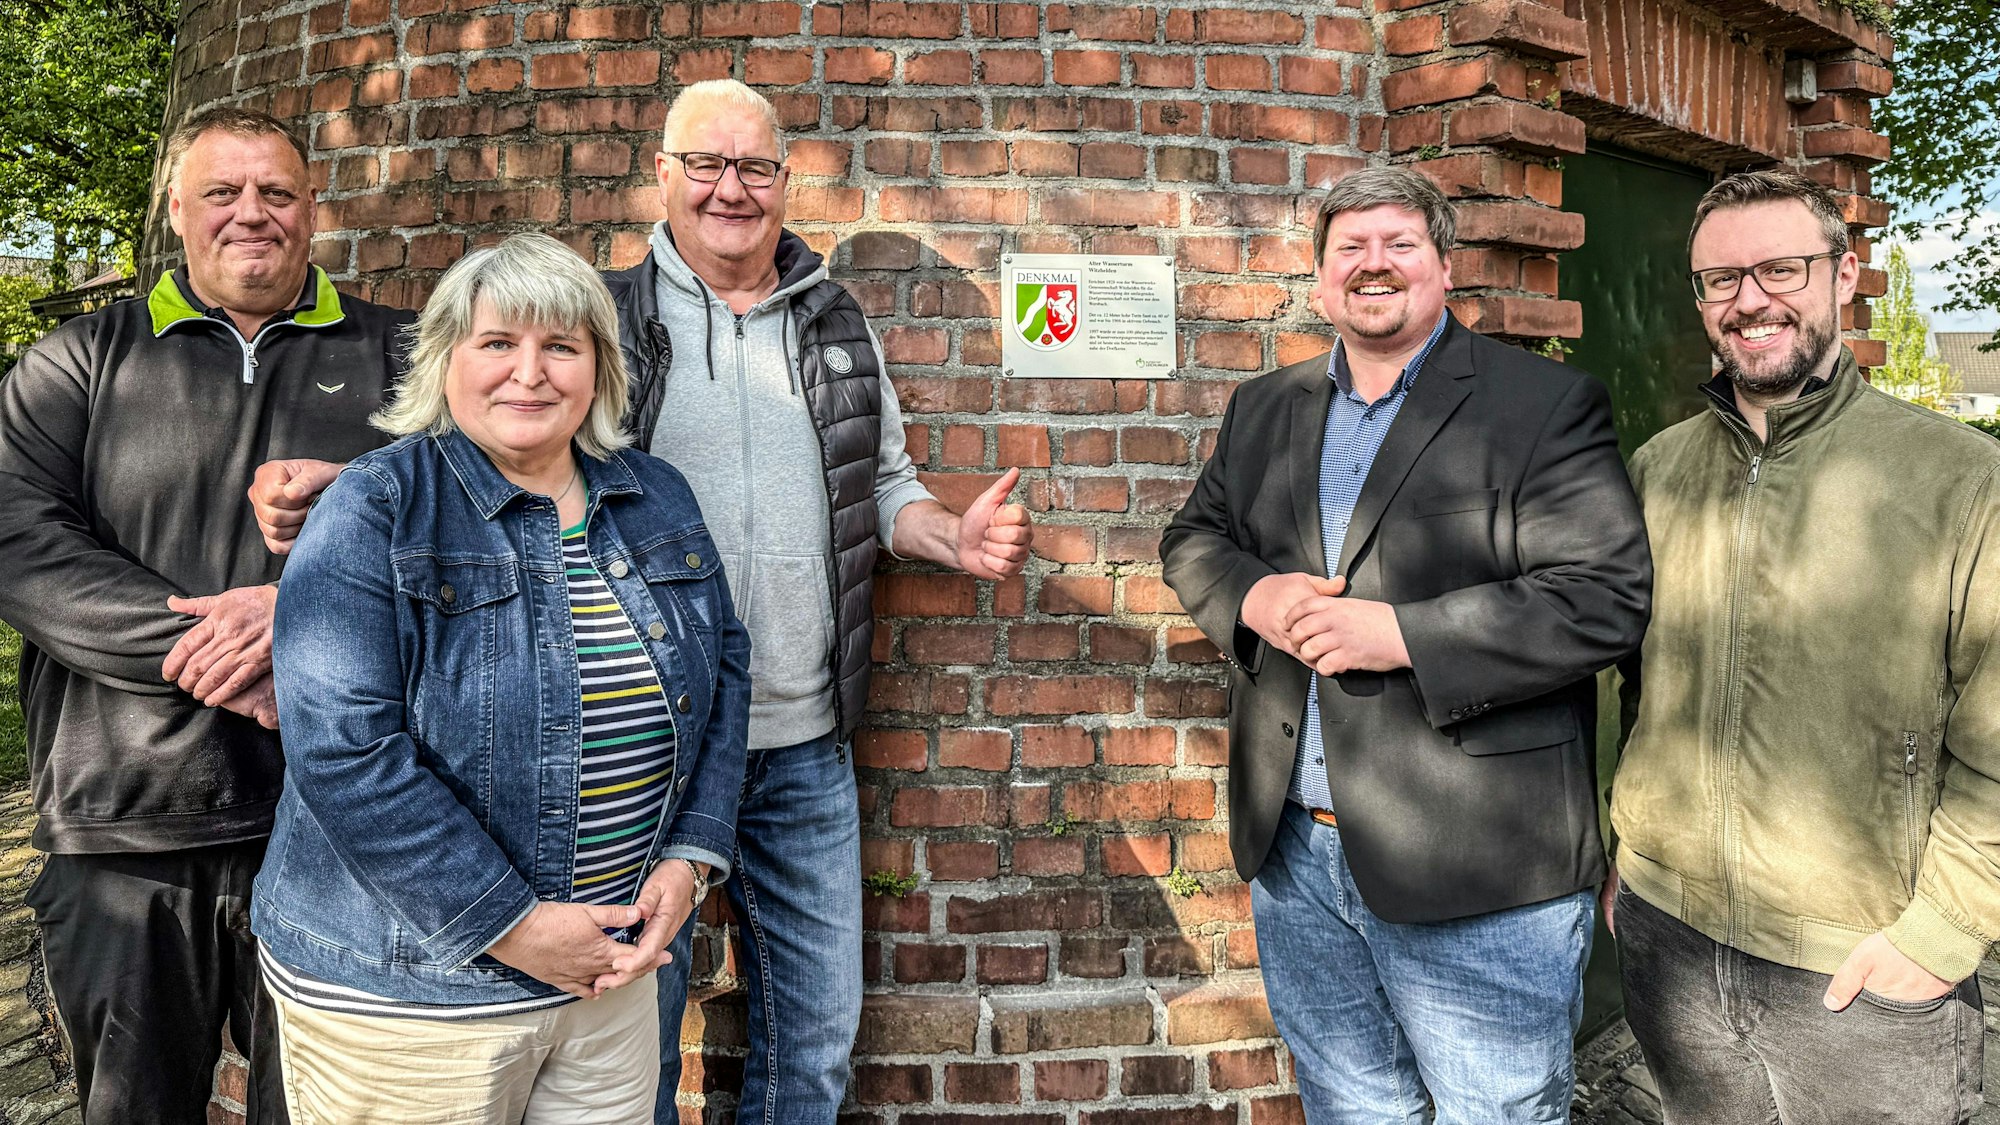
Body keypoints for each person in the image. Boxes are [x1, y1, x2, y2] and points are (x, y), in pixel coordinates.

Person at [247, 79, 1033, 1122]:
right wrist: (340, 488)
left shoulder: (835, 327)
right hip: (636, 765)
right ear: (660, 176)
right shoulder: (600, 314)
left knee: (809, 1045)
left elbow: (880, 488)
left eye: (754, 167)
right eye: (703, 164)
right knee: (634, 1046)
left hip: (800, 740)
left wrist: (951, 534)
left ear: (785, 182)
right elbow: (484, 448)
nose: (729, 188)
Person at [1160, 165, 1651, 1122]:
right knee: (1354, 1109)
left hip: (1481, 864)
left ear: (1444, 264)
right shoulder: (1265, 406)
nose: (1373, 265)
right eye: (1351, 247)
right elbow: (1193, 538)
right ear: (1319, 276)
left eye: (1399, 244)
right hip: (1299, 855)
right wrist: (1255, 596)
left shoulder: (1542, 406)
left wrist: (1401, 634)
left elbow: (1603, 597)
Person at [251, 232, 750, 1124]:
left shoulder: (655, 496)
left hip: (607, 983)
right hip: (413, 996)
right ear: (446, 359)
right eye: (498, 343)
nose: (532, 372)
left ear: (598, 368)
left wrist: (690, 857)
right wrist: (515, 927)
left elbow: (728, 667)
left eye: (561, 345)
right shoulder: (376, 506)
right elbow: (344, 752)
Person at [0, 107, 409, 1124]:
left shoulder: (407, 358)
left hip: (341, 825)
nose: (250, 214)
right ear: (176, 210)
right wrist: (221, 644)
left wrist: (300, 616)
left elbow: (481, 531)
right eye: (222, 192)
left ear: (315, 208)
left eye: (276, 192)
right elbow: (20, 542)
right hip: (123, 825)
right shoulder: (79, 362)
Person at [1604, 170, 2000, 1123]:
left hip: (1861, 970)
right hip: (1673, 946)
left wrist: (1942, 932)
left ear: (1844, 274)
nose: (1751, 300)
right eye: (1720, 279)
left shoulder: (1962, 478)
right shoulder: (1659, 469)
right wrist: (1632, 856)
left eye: (1781, 268)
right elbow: (1640, 684)